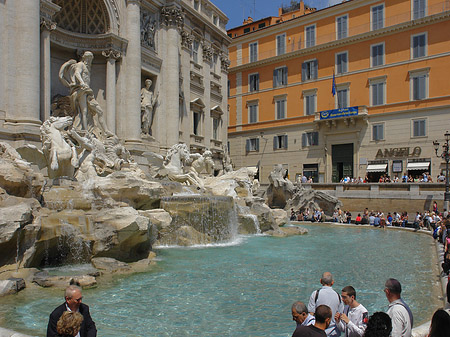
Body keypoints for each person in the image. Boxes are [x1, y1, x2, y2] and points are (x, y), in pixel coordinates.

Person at [59, 51, 112, 137]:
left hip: (88, 91)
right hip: (81, 90)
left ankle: (105, 131)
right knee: (84, 111)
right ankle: (86, 131)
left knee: (99, 111)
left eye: (90, 59)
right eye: (88, 58)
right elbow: (77, 73)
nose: (89, 60)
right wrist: (82, 83)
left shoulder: (87, 67)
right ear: (84, 58)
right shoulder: (80, 64)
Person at [308, 272, 344, 337]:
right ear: (332, 282)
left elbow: (311, 314)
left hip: (318, 332)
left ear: (320, 281)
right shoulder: (338, 296)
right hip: (334, 333)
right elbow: (340, 316)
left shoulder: (315, 294)